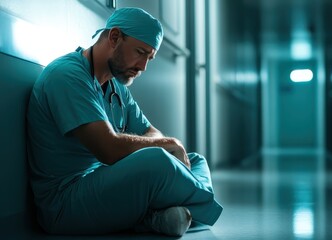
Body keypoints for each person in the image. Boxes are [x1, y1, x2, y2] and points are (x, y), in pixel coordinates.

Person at [26, 7, 222, 237]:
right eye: (140, 52)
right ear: (115, 37)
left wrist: (168, 146)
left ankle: (154, 218)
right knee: (158, 159)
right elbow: (108, 149)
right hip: (65, 204)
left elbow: (152, 133)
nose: (143, 67)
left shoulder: (116, 87)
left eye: (149, 57)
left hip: (103, 186)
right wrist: (168, 146)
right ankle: (197, 208)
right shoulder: (67, 75)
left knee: (195, 160)